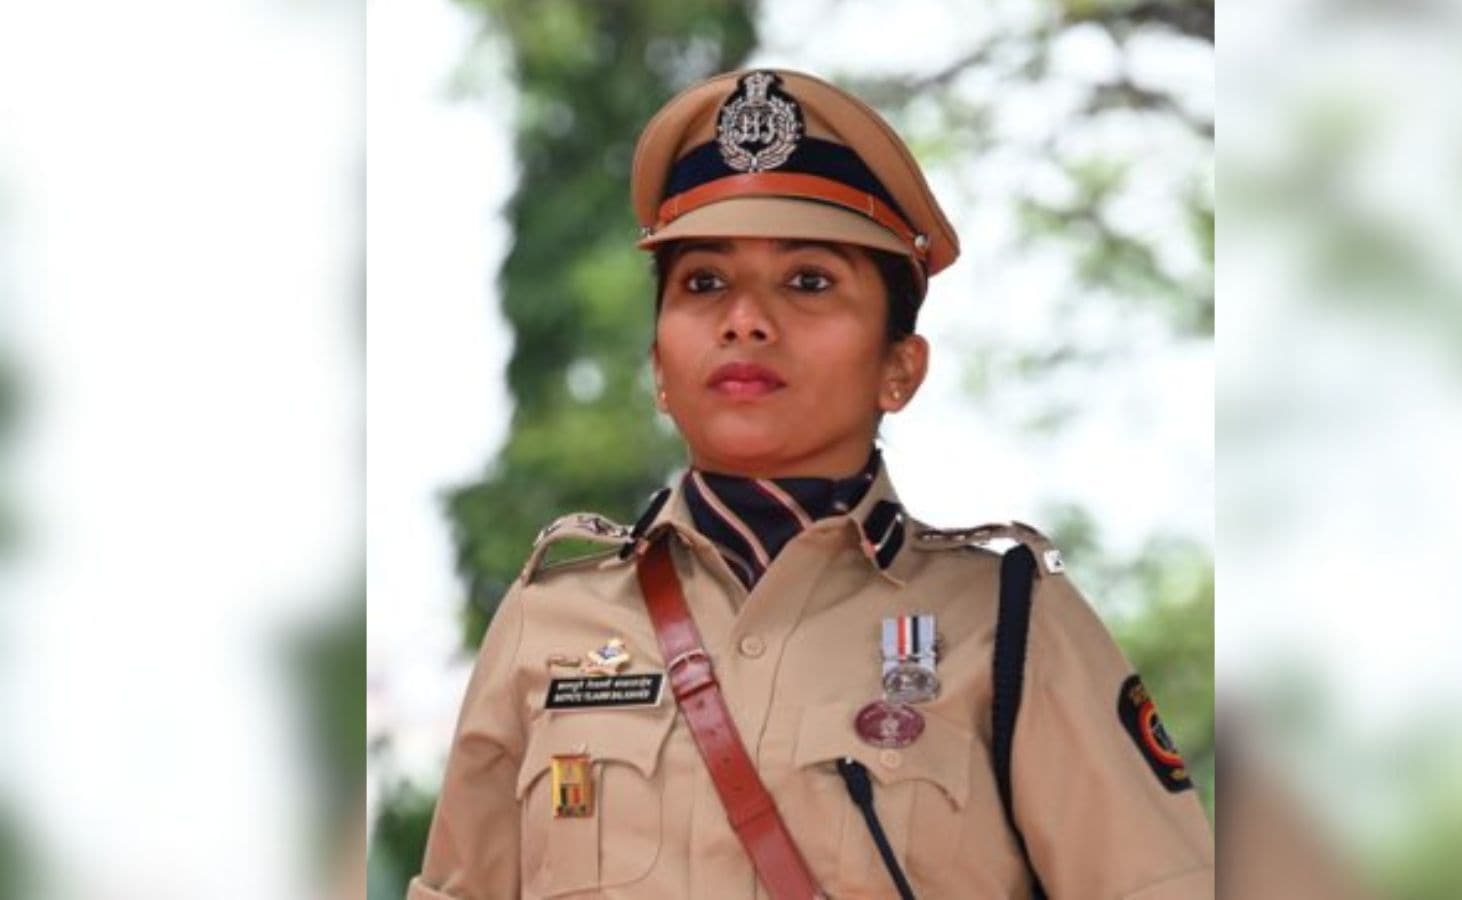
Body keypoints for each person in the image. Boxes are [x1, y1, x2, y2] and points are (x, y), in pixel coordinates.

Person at [407, 68, 1214, 900]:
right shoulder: (548, 622)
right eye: (704, 282)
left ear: (900, 368)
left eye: (809, 282)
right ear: (658, 367)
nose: (745, 320)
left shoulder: (1010, 624)